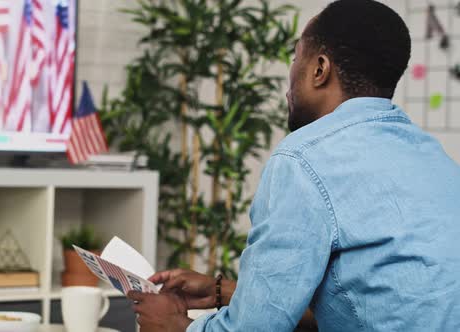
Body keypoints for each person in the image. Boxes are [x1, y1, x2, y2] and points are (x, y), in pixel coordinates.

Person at [127, 0, 460, 331]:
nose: (289, 75)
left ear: (319, 69)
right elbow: (370, 309)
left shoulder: (304, 158)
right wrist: (226, 291)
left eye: (295, 57)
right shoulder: (432, 156)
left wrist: (175, 326)